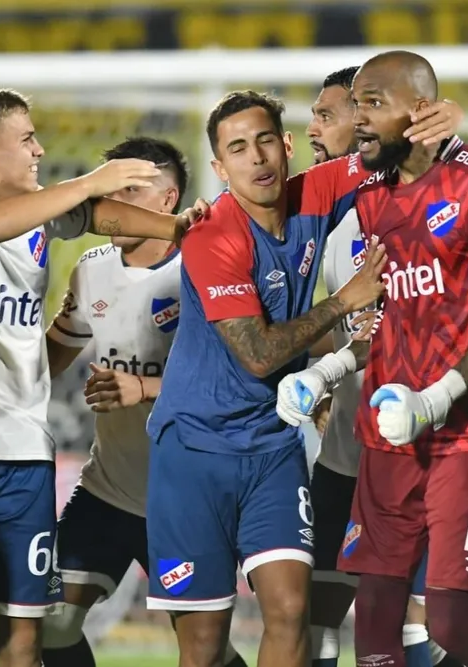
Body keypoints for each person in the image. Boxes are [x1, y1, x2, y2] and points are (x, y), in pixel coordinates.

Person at [0, 87, 197, 667]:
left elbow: (96, 215)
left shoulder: (41, 220)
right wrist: (86, 181)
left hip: (20, 460)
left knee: (26, 642)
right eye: (26, 139)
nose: (40, 149)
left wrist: (176, 227)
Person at [279, 50, 468, 667]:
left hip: (467, 426)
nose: (357, 119)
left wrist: (436, 398)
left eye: (372, 104)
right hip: (388, 428)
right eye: (353, 105)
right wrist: (327, 370)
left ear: (421, 112)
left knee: (448, 614)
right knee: (375, 620)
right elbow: (390, 313)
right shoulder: (369, 192)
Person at [143, 87, 393, 667]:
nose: (255, 158)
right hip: (194, 453)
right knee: (204, 647)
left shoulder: (315, 192)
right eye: (237, 149)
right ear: (219, 166)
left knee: (289, 610)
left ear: (285, 146)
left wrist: (442, 125)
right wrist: (343, 303)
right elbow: (256, 354)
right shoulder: (213, 236)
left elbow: (387, 149)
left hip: (273, 446)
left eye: (263, 142)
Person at [40, 135, 245, 667]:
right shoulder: (92, 269)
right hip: (108, 488)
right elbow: (49, 359)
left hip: (185, 497)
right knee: (50, 622)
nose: (113, 199)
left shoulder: (205, 270)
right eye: (108, 187)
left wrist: (144, 389)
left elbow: (237, 377)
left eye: (130, 187)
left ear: (167, 200)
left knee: (207, 652)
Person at [305, 65, 465, 667]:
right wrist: (323, 377)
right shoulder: (325, 214)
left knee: (416, 621)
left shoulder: (434, 196)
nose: (314, 128)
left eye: (329, 114)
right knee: (315, 614)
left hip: (417, 450)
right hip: (345, 452)